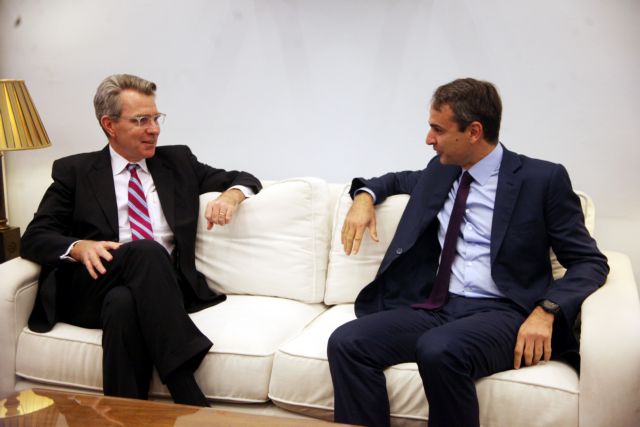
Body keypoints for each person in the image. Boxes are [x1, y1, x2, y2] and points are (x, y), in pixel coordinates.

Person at [327, 78, 609, 427]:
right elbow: (394, 180)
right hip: (439, 306)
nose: (428, 139)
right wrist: (364, 197)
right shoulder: (441, 170)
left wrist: (547, 311)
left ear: (474, 131)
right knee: (347, 341)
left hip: (505, 311)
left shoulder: (542, 179)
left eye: (438, 129)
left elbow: (589, 261)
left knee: (438, 349)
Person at [21, 74, 262, 406]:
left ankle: (123, 415)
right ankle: (183, 386)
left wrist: (231, 196)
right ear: (109, 125)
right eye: (141, 120)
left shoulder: (178, 162)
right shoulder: (75, 172)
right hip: (93, 285)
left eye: (156, 118)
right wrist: (78, 247)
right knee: (146, 252)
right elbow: (34, 237)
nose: (154, 129)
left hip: (161, 289)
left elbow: (244, 178)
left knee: (123, 303)